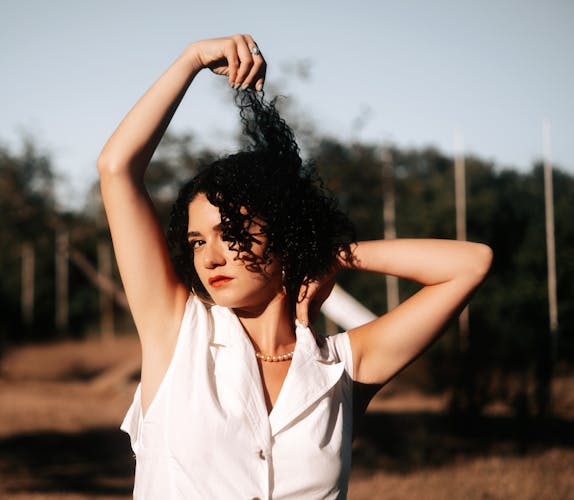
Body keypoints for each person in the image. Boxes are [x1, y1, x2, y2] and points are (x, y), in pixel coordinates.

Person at [97, 34, 492, 500]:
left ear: (286, 236)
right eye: (198, 240)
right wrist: (192, 59)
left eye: (232, 234)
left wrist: (335, 255)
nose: (211, 256)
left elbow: (470, 263)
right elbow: (117, 168)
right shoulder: (176, 333)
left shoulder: (344, 367)